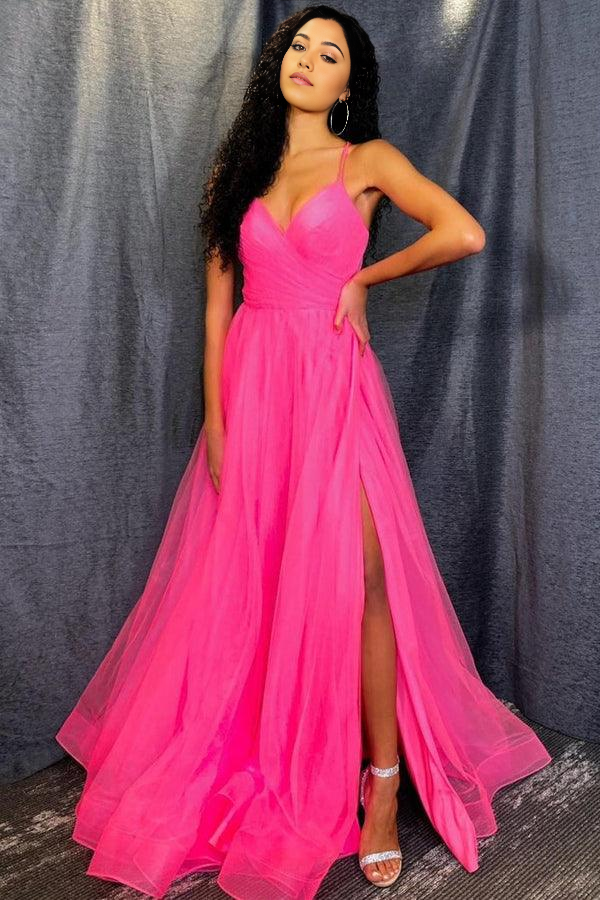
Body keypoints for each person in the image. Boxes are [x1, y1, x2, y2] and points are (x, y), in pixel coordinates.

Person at [55, 6, 552, 899]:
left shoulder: (369, 161)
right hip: (253, 387)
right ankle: (266, 748)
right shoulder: (237, 170)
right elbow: (217, 308)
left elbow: (464, 232)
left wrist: (364, 278)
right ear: (278, 62)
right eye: (298, 46)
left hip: (331, 383)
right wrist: (216, 420)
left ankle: (382, 785)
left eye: (330, 54)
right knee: (254, 573)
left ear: (349, 83)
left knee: (364, 578)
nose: (308, 60)